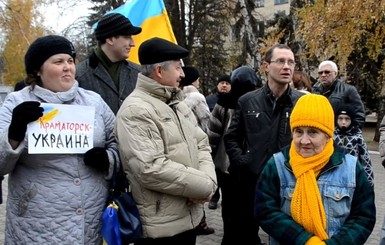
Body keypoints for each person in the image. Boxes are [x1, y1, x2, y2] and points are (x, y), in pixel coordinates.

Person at [0, 35, 120, 243]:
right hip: (36, 222)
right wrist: (14, 133)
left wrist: (108, 159)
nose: (67, 67)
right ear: (38, 70)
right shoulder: (16, 102)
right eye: (58, 62)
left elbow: (118, 143)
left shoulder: (93, 101)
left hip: (89, 220)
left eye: (70, 61)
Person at [115, 37, 217, 245]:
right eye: (178, 67)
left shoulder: (178, 103)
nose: (183, 74)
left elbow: (201, 143)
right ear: (159, 71)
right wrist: (203, 185)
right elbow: (150, 168)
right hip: (160, 229)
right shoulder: (136, 110)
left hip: (189, 219)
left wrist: (207, 183)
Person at [255, 94, 375, 244]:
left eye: (313, 132)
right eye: (298, 131)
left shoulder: (350, 167)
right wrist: (304, 240)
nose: (304, 140)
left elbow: (363, 217)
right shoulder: (277, 164)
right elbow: (265, 211)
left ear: (327, 135)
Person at [223, 44, 304, 245]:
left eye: (291, 62)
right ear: (266, 66)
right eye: (281, 61)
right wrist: (243, 161)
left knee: (285, 236)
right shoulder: (247, 101)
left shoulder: (301, 103)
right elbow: (231, 137)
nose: (287, 67)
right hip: (252, 182)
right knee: (246, 234)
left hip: (290, 183)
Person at [207, 65, 261, 238]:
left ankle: (231, 238)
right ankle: (247, 238)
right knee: (248, 206)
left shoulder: (223, 103)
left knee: (230, 206)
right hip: (247, 165)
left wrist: (210, 159)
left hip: (227, 165)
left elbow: (212, 135)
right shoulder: (258, 102)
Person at [76, 13, 142, 114]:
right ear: (110, 39)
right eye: (127, 37)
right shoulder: (79, 75)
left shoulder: (139, 74)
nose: (133, 44)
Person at [312, 60, 366, 128]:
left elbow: (359, 115)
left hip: (340, 134)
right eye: (320, 73)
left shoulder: (348, 90)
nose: (323, 75)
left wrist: (351, 134)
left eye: (327, 72)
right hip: (319, 133)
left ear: (335, 74)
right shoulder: (314, 91)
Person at [333, 103, 374, 186]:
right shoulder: (332, 137)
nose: (343, 122)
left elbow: (365, 160)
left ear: (352, 120)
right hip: (334, 176)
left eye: (347, 119)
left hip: (353, 176)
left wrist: (368, 183)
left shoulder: (357, 138)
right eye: (340, 119)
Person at [179, 66, 211, 134]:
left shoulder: (178, 96)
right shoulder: (197, 97)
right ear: (193, 81)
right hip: (199, 136)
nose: (199, 82)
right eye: (198, 79)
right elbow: (205, 120)